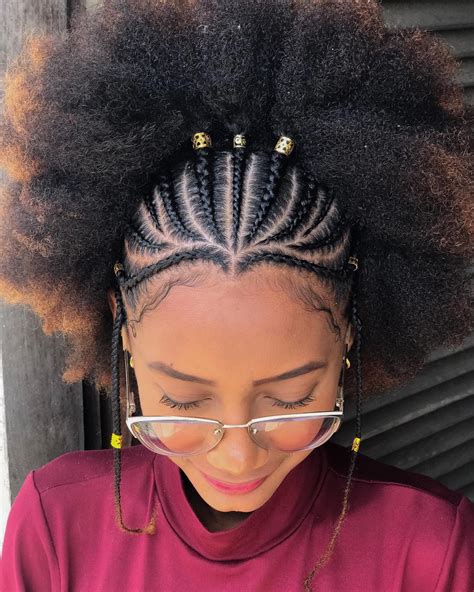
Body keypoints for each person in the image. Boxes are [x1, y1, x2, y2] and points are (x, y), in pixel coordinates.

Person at [0, 0, 473, 590]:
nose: (237, 459)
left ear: (350, 331)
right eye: (182, 402)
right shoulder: (55, 526)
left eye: (291, 400)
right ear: (122, 329)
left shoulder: (432, 553)